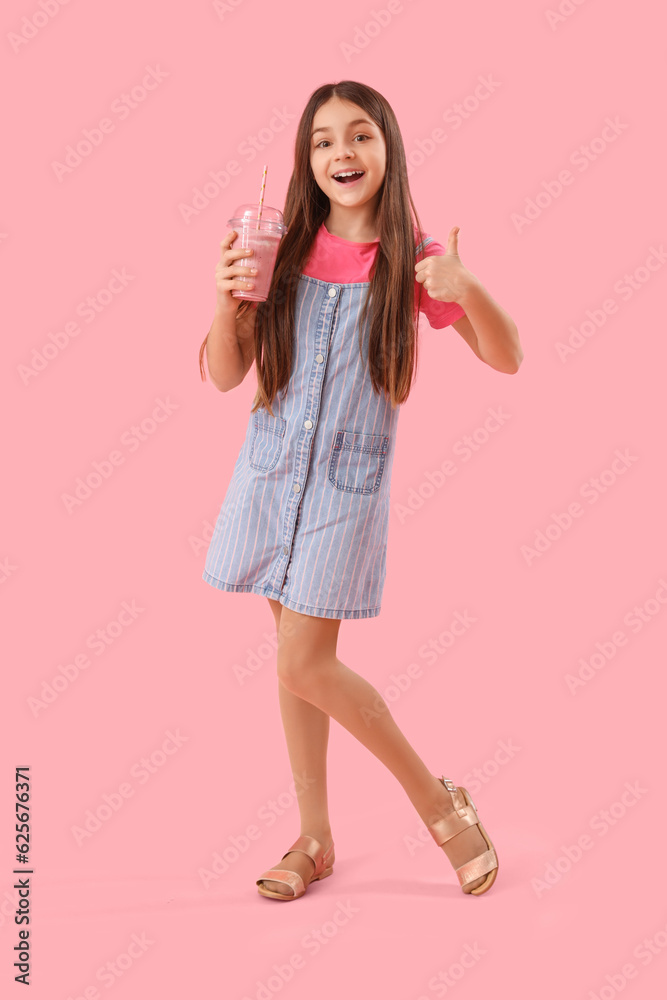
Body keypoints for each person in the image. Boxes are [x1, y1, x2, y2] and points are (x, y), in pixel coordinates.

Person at [198, 80, 523, 900]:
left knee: (303, 660)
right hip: (268, 476)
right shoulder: (276, 244)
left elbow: (506, 356)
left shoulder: (412, 259)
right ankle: (313, 839)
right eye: (321, 141)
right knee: (296, 665)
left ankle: (436, 803)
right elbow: (224, 375)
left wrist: (467, 287)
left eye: (359, 136)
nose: (340, 153)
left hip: (346, 489)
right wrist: (224, 295)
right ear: (305, 162)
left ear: (388, 147)